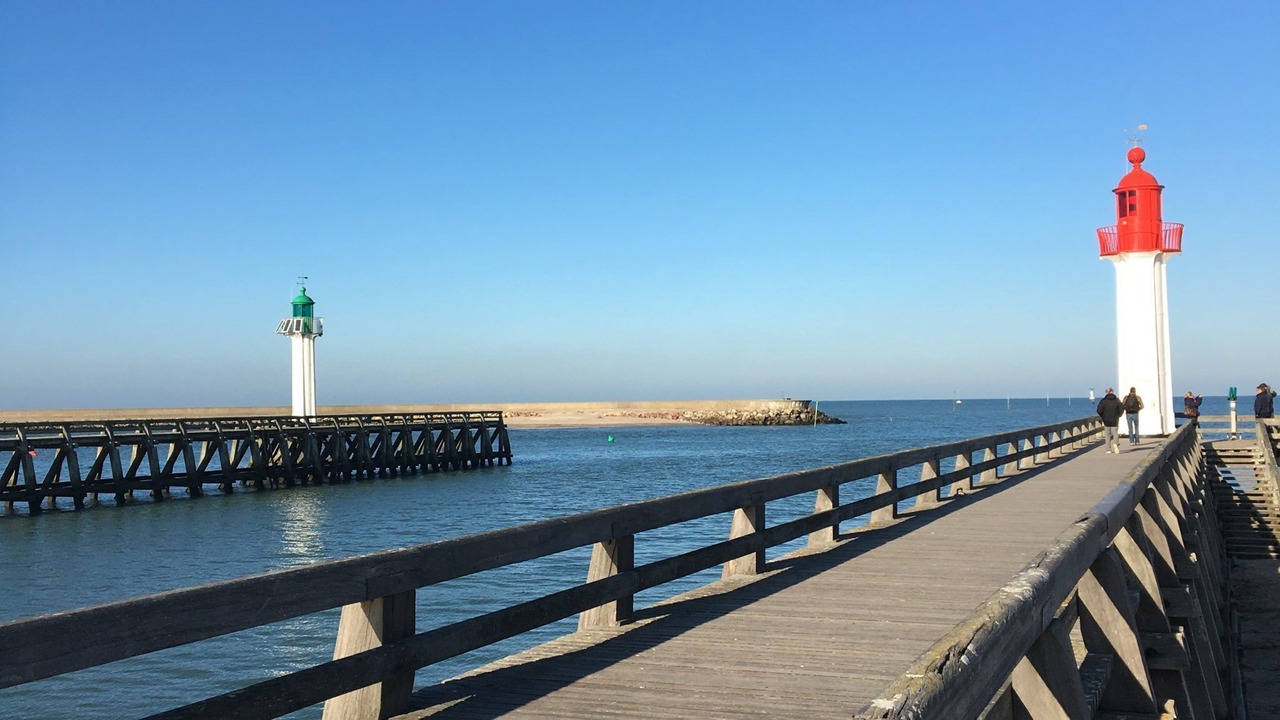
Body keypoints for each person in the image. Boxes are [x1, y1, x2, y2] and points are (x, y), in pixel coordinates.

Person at [1096, 387, 1124, 454]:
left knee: (1107, 434)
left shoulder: (1103, 401)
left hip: (1106, 420)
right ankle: (1116, 444)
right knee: (1115, 433)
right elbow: (1121, 409)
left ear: (1106, 392)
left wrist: (1103, 416)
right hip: (1115, 419)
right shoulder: (1117, 400)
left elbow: (1099, 410)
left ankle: (1108, 449)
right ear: (1112, 391)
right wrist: (1118, 415)